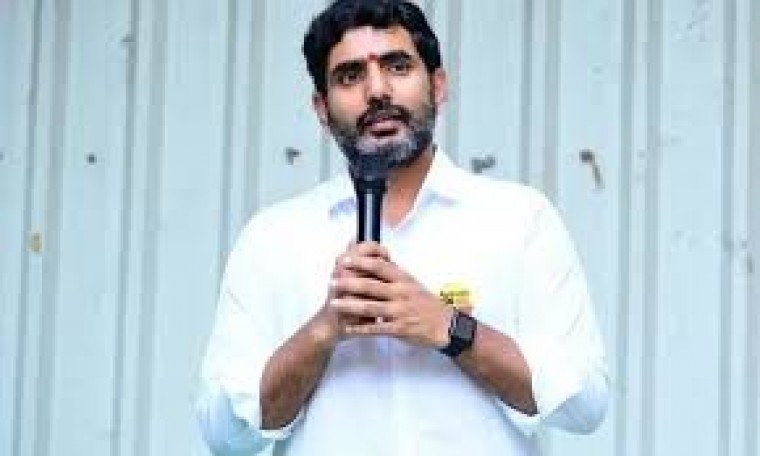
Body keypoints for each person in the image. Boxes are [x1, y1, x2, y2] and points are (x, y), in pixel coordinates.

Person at [196, 1, 609, 455]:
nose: (377, 91)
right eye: (350, 75)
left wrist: (450, 328)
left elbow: (584, 405)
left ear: (438, 84)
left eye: (397, 66)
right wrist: (322, 331)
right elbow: (225, 436)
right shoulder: (273, 238)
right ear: (321, 108)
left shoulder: (519, 220)